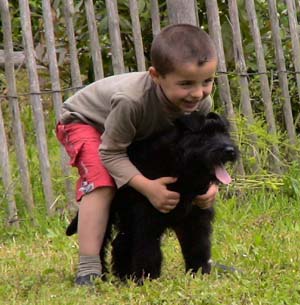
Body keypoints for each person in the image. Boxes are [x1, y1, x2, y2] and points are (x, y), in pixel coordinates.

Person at [56, 23, 219, 286]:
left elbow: (196, 152)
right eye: (186, 83)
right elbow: (110, 153)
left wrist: (210, 183)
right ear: (156, 76)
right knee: (102, 183)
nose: (198, 93)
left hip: (123, 131)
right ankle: (89, 270)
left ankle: (199, 263)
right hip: (85, 122)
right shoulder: (132, 101)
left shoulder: (199, 104)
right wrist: (147, 187)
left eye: (207, 81)